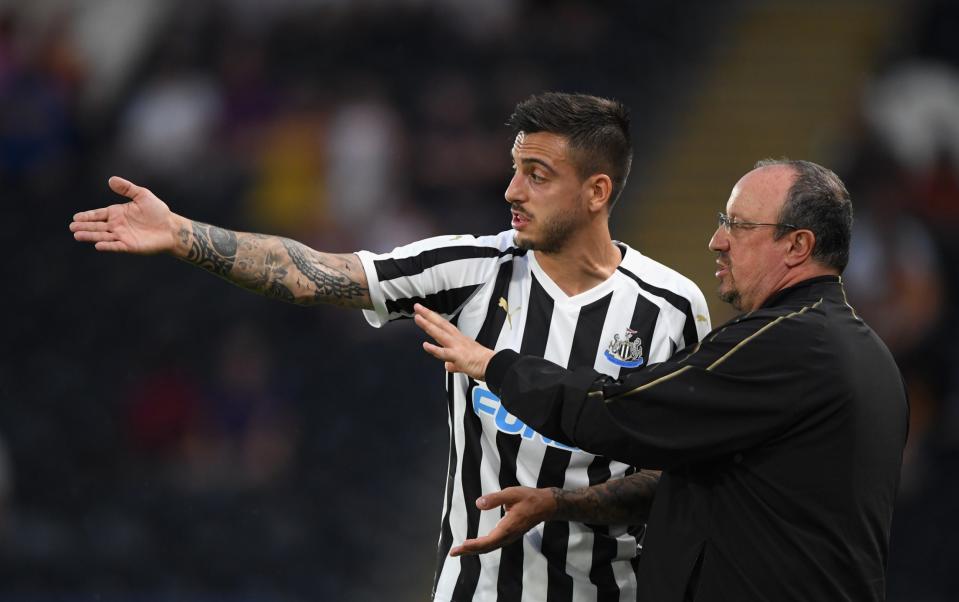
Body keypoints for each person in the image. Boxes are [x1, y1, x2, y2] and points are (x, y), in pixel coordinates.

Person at [70, 92, 711, 602]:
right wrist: (183, 233)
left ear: (597, 192)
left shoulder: (673, 308)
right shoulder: (471, 268)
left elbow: (686, 468)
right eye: (515, 170)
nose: (512, 190)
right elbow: (314, 275)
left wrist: (565, 505)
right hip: (478, 591)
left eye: (537, 175)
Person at [412, 159, 909, 601]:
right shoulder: (866, 355)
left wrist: (494, 366)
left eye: (737, 225)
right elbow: (699, 488)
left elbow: (620, 410)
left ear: (798, 245)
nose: (718, 240)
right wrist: (559, 503)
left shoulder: (785, 345)